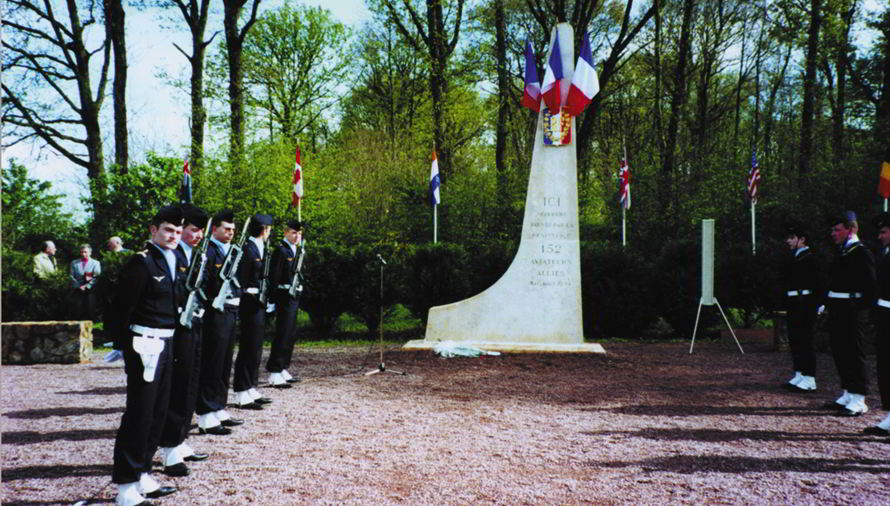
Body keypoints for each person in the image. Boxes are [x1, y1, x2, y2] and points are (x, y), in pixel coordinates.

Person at [107, 205, 184, 506]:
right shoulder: (141, 263)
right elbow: (120, 308)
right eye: (168, 230)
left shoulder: (171, 260)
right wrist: (123, 345)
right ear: (153, 230)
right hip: (144, 345)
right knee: (140, 414)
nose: (173, 236)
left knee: (157, 413)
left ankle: (142, 473)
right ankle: (125, 486)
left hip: (166, 342)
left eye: (178, 232)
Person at [157, 204, 210, 477]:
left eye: (200, 230)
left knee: (191, 383)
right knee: (177, 386)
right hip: (176, 330)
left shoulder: (194, 254)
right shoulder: (172, 254)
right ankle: (169, 448)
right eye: (193, 230)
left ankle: (180, 438)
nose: (197, 235)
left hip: (194, 324)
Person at [194, 209, 246, 434]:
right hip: (214, 312)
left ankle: (219, 406)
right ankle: (206, 413)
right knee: (212, 362)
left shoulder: (231, 251)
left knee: (225, 361)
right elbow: (201, 283)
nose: (231, 233)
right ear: (214, 229)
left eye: (233, 230)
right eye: (226, 229)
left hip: (230, 309)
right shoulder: (208, 251)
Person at [823, 211, 877, 416]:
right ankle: (847, 392)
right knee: (840, 351)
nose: (833, 234)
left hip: (853, 310)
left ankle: (859, 398)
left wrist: (861, 309)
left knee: (854, 353)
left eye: (837, 230)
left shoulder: (861, 252)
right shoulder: (842, 251)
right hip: (838, 308)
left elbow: (871, 286)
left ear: (851, 229)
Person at [232, 213, 275, 408]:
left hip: (259, 302)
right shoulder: (248, 249)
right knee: (248, 347)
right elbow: (241, 278)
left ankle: (250, 386)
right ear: (264, 229)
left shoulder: (261, 247)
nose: (270, 232)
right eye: (269, 229)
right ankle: (241, 391)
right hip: (249, 303)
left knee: (256, 347)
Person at [782, 223, 821, 392]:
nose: (788, 241)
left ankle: (810, 377)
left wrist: (818, 304)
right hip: (794, 301)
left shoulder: (811, 257)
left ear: (802, 240)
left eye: (792, 238)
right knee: (795, 338)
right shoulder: (794, 257)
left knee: (806, 339)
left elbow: (819, 283)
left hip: (805, 301)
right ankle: (799, 373)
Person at [265, 220, 305, 387]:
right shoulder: (281, 251)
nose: (297, 236)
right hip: (283, 296)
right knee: (283, 333)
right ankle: (274, 371)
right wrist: (272, 300)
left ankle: (283, 368)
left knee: (290, 334)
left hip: (293, 296)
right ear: (286, 233)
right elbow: (274, 276)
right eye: (294, 233)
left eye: (299, 233)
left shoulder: (297, 250)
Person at [865, 212, 890, 435]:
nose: (880, 236)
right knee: (885, 367)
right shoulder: (885, 253)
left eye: (884, 231)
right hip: (885, 314)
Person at [69, 244, 101, 320]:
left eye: (85, 252)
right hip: (78, 289)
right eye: (81, 252)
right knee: (78, 310)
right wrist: (78, 286)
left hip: (90, 289)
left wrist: (87, 286)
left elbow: (96, 276)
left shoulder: (96, 263)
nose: (83, 254)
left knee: (90, 309)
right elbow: (71, 276)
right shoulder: (74, 263)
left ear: (90, 253)